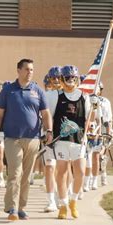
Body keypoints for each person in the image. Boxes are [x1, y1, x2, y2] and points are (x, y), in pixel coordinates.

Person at [0, 58, 53, 221]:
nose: (30, 72)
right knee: (15, 173)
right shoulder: (8, 90)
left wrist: (49, 130)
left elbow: (46, 114)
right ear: (18, 70)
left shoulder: (38, 91)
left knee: (26, 176)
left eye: (32, 69)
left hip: (33, 139)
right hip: (13, 139)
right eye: (26, 69)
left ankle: (21, 208)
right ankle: (11, 207)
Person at [46, 65, 92, 219]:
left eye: (74, 78)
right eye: (68, 78)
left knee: (80, 171)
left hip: (78, 140)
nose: (71, 80)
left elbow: (88, 118)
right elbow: (49, 116)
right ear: (63, 79)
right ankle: (63, 204)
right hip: (61, 140)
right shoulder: (55, 96)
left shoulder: (84, 97)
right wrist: (49, 133)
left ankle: (73, 200)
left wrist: (88, 130)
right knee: (62, 171)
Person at [41, 67, 63, 212]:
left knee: (62, 170)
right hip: (49, 136)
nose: (55, 80)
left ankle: (61, 197)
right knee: (49, 167)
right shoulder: (44, 95)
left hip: (65, 138)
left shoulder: (68, 95)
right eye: (53, 78)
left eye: (58, 77)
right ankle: (51, 201)